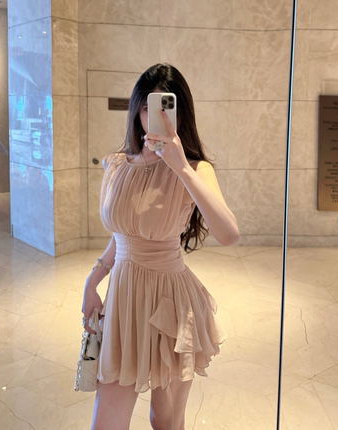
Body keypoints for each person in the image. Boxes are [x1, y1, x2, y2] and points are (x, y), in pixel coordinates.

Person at [81, 63, 240, 430]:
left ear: (181, 114)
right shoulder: (116, 164)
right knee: (106, 424)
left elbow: (229, 234)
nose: (155, 117)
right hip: (123, 304)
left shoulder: (195, 170)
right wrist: (93, 280)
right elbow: (124, 235)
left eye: (167, 108)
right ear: (137, 110)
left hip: (170, 305)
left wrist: (181, 166)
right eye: (146, 107)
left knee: (165, 421)